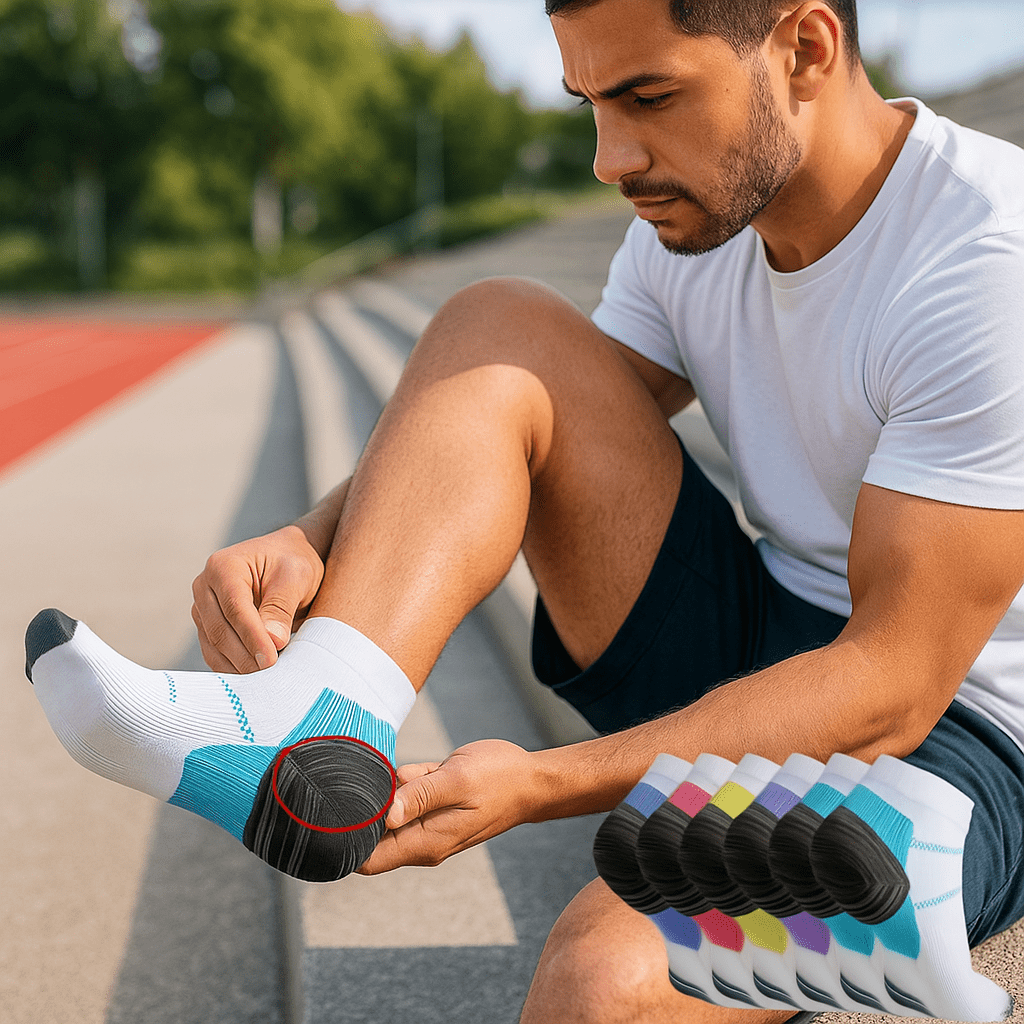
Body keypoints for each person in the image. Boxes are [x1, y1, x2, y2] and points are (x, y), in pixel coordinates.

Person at [27, 1, 1024, 1022]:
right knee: (498, 322)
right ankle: (322, 707)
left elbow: (894, 682)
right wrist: (313, 534)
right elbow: (508, 404)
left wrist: (542, 782)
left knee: (606, 986)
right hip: (761, 631)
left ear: (804, 48)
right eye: (590, 102)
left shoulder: (984, 261)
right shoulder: (699, 212)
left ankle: (901, 911)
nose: (609, 156)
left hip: (955, 740)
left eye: (648, 95)